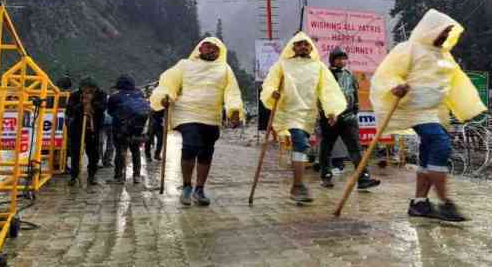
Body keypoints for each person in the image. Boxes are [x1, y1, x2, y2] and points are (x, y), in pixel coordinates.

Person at [371, 9, 486, 222]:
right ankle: (445, 203)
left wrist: (466, 107)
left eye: (449, 31)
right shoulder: (408, 48)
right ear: (431, 29)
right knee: (440, 144)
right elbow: (386, 73)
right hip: (413, 108)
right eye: (443, 30)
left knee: (427, 152)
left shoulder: (445, 56)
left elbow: (456, 83)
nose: (445, 35)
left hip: (435, 111)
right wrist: (396, 85)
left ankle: (419, 203)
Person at [150, 37, 243, 206]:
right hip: (187, 114)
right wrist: (166, 96)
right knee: (191, 146)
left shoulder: (225, 69)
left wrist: (234, 110)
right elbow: (169, 82)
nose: (212, 50)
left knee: (206, 153)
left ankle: (199, 189)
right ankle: (186, 186)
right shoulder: (184, 65)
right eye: (208, 46)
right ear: (200, 49)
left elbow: (232, 92)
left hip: (211, 117)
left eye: (216, 48)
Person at [261, 32, 346, 203]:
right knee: (300, 143)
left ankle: (297, 187)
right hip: (289, 112)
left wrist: (331, 111)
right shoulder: (283, 65)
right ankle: (298, 185)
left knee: (301, 147)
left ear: (311, 47)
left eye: (306, 44)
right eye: (299, 44)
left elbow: (328, 90)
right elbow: (269, 84)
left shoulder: (319, 67)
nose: (303, 47)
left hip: (308, 113)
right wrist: (272, 93)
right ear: (293, 47)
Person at [318, 47, 380, 190]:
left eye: (343, 58)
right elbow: (322, 95)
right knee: (327, 147)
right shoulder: (326, 75)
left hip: (349, 117)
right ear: (332, 60)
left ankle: (363, 178)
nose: (341, 61)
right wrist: (328, 114)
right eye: (338, 58)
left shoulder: (349, 74)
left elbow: (354, 93)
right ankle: (326, 176)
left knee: (356, 148)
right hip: (330, 117)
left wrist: (355, 109)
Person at [65, 77, 107, 186]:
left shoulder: (101, 94)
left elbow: (102, 108)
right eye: (85, 88)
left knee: (94, 154)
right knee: (76, 153)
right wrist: (81, 105)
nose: (87, 90)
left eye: (90, 89)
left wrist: (91, 103)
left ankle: (92, 175)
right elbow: (69, 110)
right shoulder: (75, 95)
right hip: (77, 129)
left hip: (94, 129)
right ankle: (74, 175)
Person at [107, 75, 148, 184]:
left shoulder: (114, 97)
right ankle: (136, 176)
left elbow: (110, 112)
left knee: (120, 151)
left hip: (120, 129)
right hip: (137, 129)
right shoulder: (140, 94)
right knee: (135, 151)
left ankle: (119, 176)